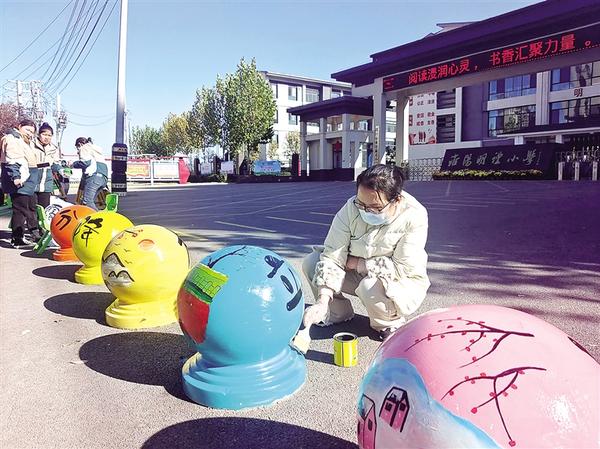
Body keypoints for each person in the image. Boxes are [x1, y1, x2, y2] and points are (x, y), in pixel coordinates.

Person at [301, 164, 430, 341]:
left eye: (375, 207)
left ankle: (388, 323)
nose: (365, 211)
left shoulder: (414, 216)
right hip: (357, 273)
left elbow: (403, 268)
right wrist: (322, 301)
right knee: (313, 262)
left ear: (397, 200)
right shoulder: (351, 208)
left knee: (369, 286)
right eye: (361, 204)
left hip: (398, 281)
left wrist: (358, 263)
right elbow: (332, 255)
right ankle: (335, 312)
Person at [0, 119, 43, 248]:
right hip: (20, 180)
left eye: (32, 132)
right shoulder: (13, 139)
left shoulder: (22, 140)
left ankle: (25, 236)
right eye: (27, 129)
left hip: (27, 179)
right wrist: (16, 177)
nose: (30, 133)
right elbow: (12, 160)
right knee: (21, 209)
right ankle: (18, 238)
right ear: (19, 127)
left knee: (28, 208)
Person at [72, 137, 108, 210]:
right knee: (88, 201)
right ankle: (91, 215)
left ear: (80, 144)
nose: (78, 150)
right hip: (103, 178)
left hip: (93, 177)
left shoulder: (84, 148)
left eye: (77, 147)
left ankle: (98, 216)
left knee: (87, 202)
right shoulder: (95, 150)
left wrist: (73, 164)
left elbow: (85, 162)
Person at [32, 122, 61, 207]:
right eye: (44, 134)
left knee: (44, 209)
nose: (47, 137)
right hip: (31, 182)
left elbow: (55, 164)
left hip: (46, 184)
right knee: (32, 209)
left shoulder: (54, 148)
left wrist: (61, 170)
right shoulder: (31, 145)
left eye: (49, 135)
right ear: (38, 134)